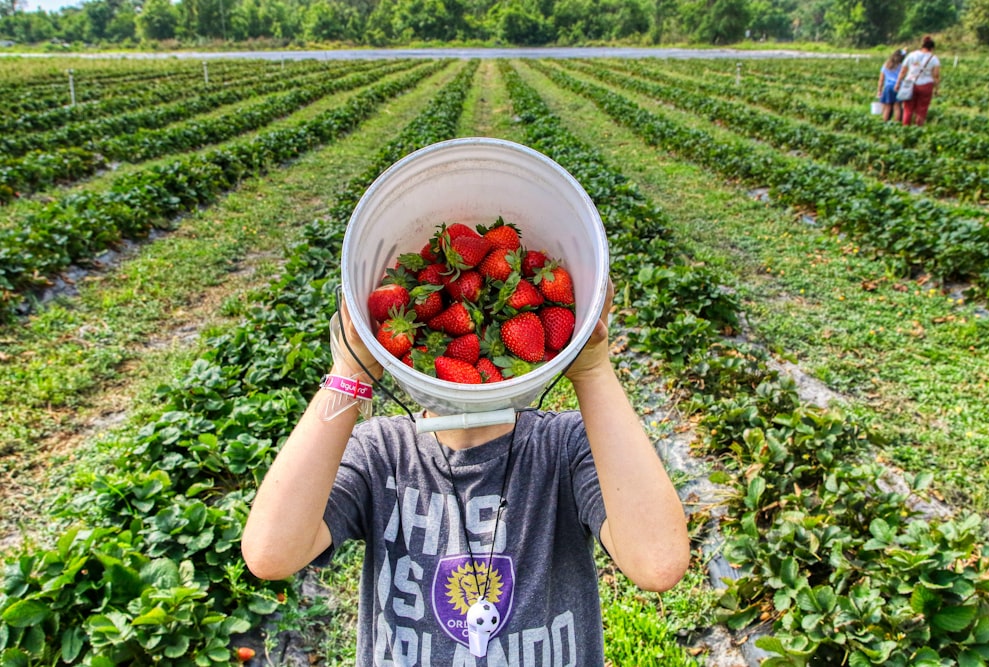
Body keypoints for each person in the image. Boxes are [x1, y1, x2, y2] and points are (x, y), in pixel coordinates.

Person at [241, 280, 690, 665]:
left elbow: (658, 563)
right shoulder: (380, 453)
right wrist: (348, 369)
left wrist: (592, 370)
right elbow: (270, 554)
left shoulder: (565, 447)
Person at [896, 35, 941, 126]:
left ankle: (906, 127)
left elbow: (903, 71)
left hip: (910, 83)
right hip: (926, 85)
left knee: (908, 108)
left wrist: (898, 83)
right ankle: (918, 128)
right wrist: (937, 89)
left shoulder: (912, 55)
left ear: (922, 46)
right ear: (932, 48)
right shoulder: (934, 59)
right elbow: (936, 75)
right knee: (922, 108)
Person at [876, 49, 905, 122]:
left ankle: (884, 123)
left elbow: (881, 79)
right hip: (898, 87)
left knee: (887, 106)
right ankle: (897, 123)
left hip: (888, 87)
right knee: (897, 106)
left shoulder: (886, 65)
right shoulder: (902, 66)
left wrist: (879, 90)